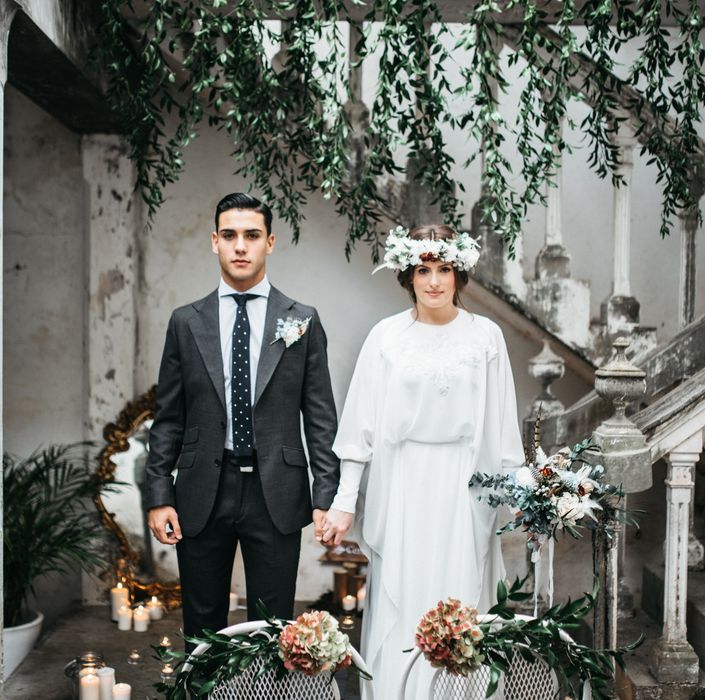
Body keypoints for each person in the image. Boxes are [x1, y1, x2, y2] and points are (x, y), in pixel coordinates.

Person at [321, 223, 525, 699]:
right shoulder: (385, 337)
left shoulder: (486, 337)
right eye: (423, 270)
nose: (434, 281)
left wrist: (519, 500)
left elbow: (502, 426)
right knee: (405, 599)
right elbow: (360, 430)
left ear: (459, 275)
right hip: (405, 487)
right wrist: (344, 501)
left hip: (465, 490)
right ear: (407, 275)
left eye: (444, 269)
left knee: (462, 597)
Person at [144, 193, 340, 646]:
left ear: (269, 242)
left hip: (276, 491)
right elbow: (168, 417)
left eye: (251, 236)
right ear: (214, 242)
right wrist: (158, 493)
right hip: (200, 491)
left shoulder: (302, 320)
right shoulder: (185, 322)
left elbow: (321, 416)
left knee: (272, 630)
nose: (240, 246)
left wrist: (325, 494)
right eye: (229, 235)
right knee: (202, 623)